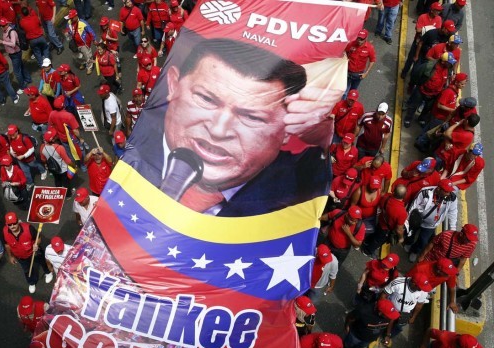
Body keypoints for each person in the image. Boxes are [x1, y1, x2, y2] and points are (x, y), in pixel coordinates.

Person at [122, 37, 334, 217]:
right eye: (206, 99)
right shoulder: (134, 153)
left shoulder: (295, 193)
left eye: (251, 117)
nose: (218, 130)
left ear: (288, 127)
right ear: (173, 85)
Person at [405, 179, 458, 261]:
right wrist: (408, 220)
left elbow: (453, 213)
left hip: (430, 225)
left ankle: (414, 251)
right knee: (410, 232)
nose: (449, 193)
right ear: (439, 189)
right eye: (446, 191)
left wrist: (452, 230)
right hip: (416, 219)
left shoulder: (452, 198)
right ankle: (408, 243)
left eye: (449, 191)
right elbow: (413, 206)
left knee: (423, 241)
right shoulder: (425, 192)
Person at [3, 212, 52, 294]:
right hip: (20, 257)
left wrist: (36, 244)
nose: (12, 226)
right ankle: (31, 282)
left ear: (18, 221)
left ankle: (48, 272)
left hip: (34, 252)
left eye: (14, 223)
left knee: (42, 262)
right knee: (26, 270)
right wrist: (10, 256)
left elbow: (38, 238)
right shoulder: (4, 232)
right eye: (9, 224)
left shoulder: (29, 228)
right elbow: (7, 245)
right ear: (6, 224)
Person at [404, 52, 456, 128]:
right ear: (443, 62)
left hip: (434, 94)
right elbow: (416, 74)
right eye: (449, 62)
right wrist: (414, 85)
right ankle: (408, 119)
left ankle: (421, 119)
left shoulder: (448, 69)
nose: (451, 64)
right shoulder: (429, 66)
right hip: (421, 90)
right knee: (413, 105)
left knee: (427, 108)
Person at [381, 273, 432, 344]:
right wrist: (383, 307)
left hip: (406, 313)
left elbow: (419, 304)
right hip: (391, 308)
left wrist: (413, 316)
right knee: (386, 322)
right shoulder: (398, 283)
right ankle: (385, 334)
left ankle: (388, 336)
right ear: (413, 283)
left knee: (399, 327)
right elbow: (384, 294)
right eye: (420, 287)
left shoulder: (423, 291)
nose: (421, 289)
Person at [361, 184, 408, 257]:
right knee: (378, 240)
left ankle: (366, 242)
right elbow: (399, 229)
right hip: (386, 229)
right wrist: (401, 238)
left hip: (380, 220)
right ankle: (367, 251)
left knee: (375, 234)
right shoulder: (402, 212)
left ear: (394, 192)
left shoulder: (386, 196)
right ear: (404, 196)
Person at [0, 19, 32, 93]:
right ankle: (28, 79)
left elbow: (13, 43)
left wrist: (2, 42)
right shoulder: (5, 31)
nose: (1, 27)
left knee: (17, 72)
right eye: (0, 26)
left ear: (7, 24)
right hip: (12, 54)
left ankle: (23, 87)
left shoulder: (12, 32)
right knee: (21, 66)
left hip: (15, 53)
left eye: (3, 26)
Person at [344, 29, 376, 98]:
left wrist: (366, 73)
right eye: (358, 38)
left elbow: (372, 60)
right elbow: (345, 52)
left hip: (358, 75)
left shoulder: (369, 48)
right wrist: (346, 59)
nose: (359, 41)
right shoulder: (351, 44)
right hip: (348, 72)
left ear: (366, 38)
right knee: (345, 93)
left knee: (353, 92)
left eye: (362, 39)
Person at [64, 9, 95, 75]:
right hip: (76, 44)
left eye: (72, 18)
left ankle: (89, 67)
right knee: (76, 56)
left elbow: (91, 32)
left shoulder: (83, 23)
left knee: (88, 56)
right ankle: (83, 62)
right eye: (70, 18)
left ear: (76, 16)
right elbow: (67, 29)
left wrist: (94, 40)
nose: (70, 19)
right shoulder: (69, 22)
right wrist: (67, 32)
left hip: (84, 43)